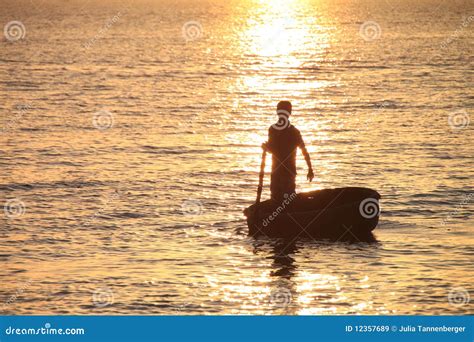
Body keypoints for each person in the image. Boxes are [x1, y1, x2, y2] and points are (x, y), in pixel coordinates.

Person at [262, 101, 314, 200]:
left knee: (280, 198)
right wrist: (310, 169)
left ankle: (279, 214)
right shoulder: (292, 131)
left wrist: (310, 169)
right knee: (285, 198)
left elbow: (273, 149)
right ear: (290, 112)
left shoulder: (275, 130)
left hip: (283, 172)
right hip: (283, 172)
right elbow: (304, 151)